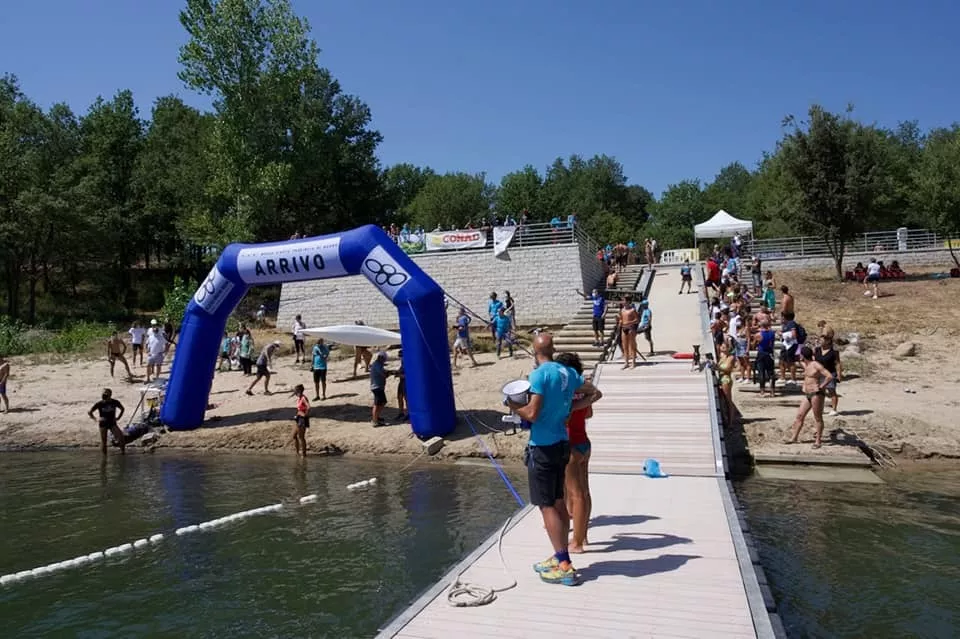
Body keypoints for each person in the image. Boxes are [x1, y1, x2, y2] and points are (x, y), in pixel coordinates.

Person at [507, 333, 591, 586]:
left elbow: (531, 413)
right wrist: (568, 409)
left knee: (546, 505)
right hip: (562, 444)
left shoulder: (539, 375)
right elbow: (592, 393)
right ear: (553, 348)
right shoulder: (568, 373)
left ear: (534, 351)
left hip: (543, 447)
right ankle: (559, 555)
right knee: (558, 501)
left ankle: (564, 564)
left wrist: (511, 403)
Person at [555, 352, 602, 555]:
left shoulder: (563, 391)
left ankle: (576, 543)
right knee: (584, 491)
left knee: (575, 493)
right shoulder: (583, 390)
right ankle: (583, 535)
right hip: (584, 442)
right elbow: (589, 413)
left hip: (570, 444)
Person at [784, 346, 833, 449]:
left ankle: (818, 441)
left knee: (817, 417)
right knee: (800, 415)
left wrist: (821, 386)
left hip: (816, 393)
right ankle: (794, 437)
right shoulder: (805, 364)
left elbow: (829, 376)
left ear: (803, 355)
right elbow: (797, 359)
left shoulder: (815, 365)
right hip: (807, 394)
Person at [88, 388, 125, 455]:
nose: (104, 395)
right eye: (103, 393)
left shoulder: (115, 402)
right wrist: (95, 419)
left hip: (112, 423)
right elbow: (90, 412)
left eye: (106, 393)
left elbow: (122, 409)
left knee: (121, 437)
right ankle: (104, 457)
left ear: (110, 394)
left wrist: (118, 417)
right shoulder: (100, 403)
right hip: (103, 424)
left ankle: (123, 453)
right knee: (104, 441)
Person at [815, 334, 843, 417]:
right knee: (820, 391)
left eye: (822, 340)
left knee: (832, 391)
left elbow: (837, 364)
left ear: (827, 341)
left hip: (831, 373)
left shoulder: (834, 352)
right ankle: (821, 408)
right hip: (820, 374)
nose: (820, 341)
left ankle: (834, 409)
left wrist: (839, 374)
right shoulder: (817, 350)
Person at [716, 339, 737, 426]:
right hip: (721, 378)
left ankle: (731, 422)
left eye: (724, 347)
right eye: (722, 347)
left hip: (726, 379)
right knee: (722, 400)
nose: (722, 348)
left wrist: (717, 368)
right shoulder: (721, 356)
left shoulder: (731, 357)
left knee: (728, 400)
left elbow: (728, 369)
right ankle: (725, 419)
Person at [754, 318, 777, 397]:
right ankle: (772, 392)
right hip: (770, 353)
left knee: (761, 373)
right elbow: (773, 343)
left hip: (761, 353)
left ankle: (762, 392)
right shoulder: (772, 333)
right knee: (771, 373)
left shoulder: (758, 334)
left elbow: (754, 345)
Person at [618, 295, 640, 369]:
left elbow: (637, 320)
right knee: (625, 346)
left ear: (627, 301)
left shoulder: (632, 310)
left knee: (632, 346)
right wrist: (620, 322)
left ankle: (633, 362)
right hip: (624, 329)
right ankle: (626, 362)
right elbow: (621, 319)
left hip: (631, 329)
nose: (622, 302)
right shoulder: (622, 310)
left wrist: (629, 322)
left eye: (623, 300)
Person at [369, 351, 388, 426]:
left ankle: (376, 417)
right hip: (377, 387)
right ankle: (374, 420)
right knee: (377, 404)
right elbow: (383, 374)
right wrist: (390, 373)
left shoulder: (379, 364)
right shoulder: (377, 365)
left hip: (379, 386)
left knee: (382, 402)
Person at [291, 383, 309, 457]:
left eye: (295, 391)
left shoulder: (304, 398)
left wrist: (303, 414)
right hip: (298, 418)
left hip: (302, 419)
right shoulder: (299, 397)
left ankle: (304, 455)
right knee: (294, 436)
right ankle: (297, 452)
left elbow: (308, 407)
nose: (294, 393)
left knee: (301, 437)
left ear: (299, 391)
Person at [395, 349, 407, 421]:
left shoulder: (407, 363)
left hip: (405, 383)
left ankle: (408, 413)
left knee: (406, 398)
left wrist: (399, 375)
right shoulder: (402, 363)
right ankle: (401, 412)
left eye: (401, 356)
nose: (400, 357)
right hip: (401, 382)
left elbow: (408, 375)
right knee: (399, 397)